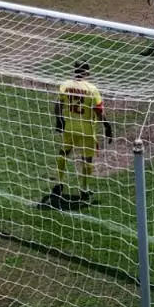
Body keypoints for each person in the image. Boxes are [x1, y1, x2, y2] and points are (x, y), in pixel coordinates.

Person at [49, 60, 112, 206]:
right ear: (87, 72)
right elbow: (99, 111)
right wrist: (107, 126)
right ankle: (84, 189)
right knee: (87, 159)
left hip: (70, 126)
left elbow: (58, 104)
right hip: (87, 129)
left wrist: (59, 120)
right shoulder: (92, 89)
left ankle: (59, 182)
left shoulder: (65, 85)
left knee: (64, 153)